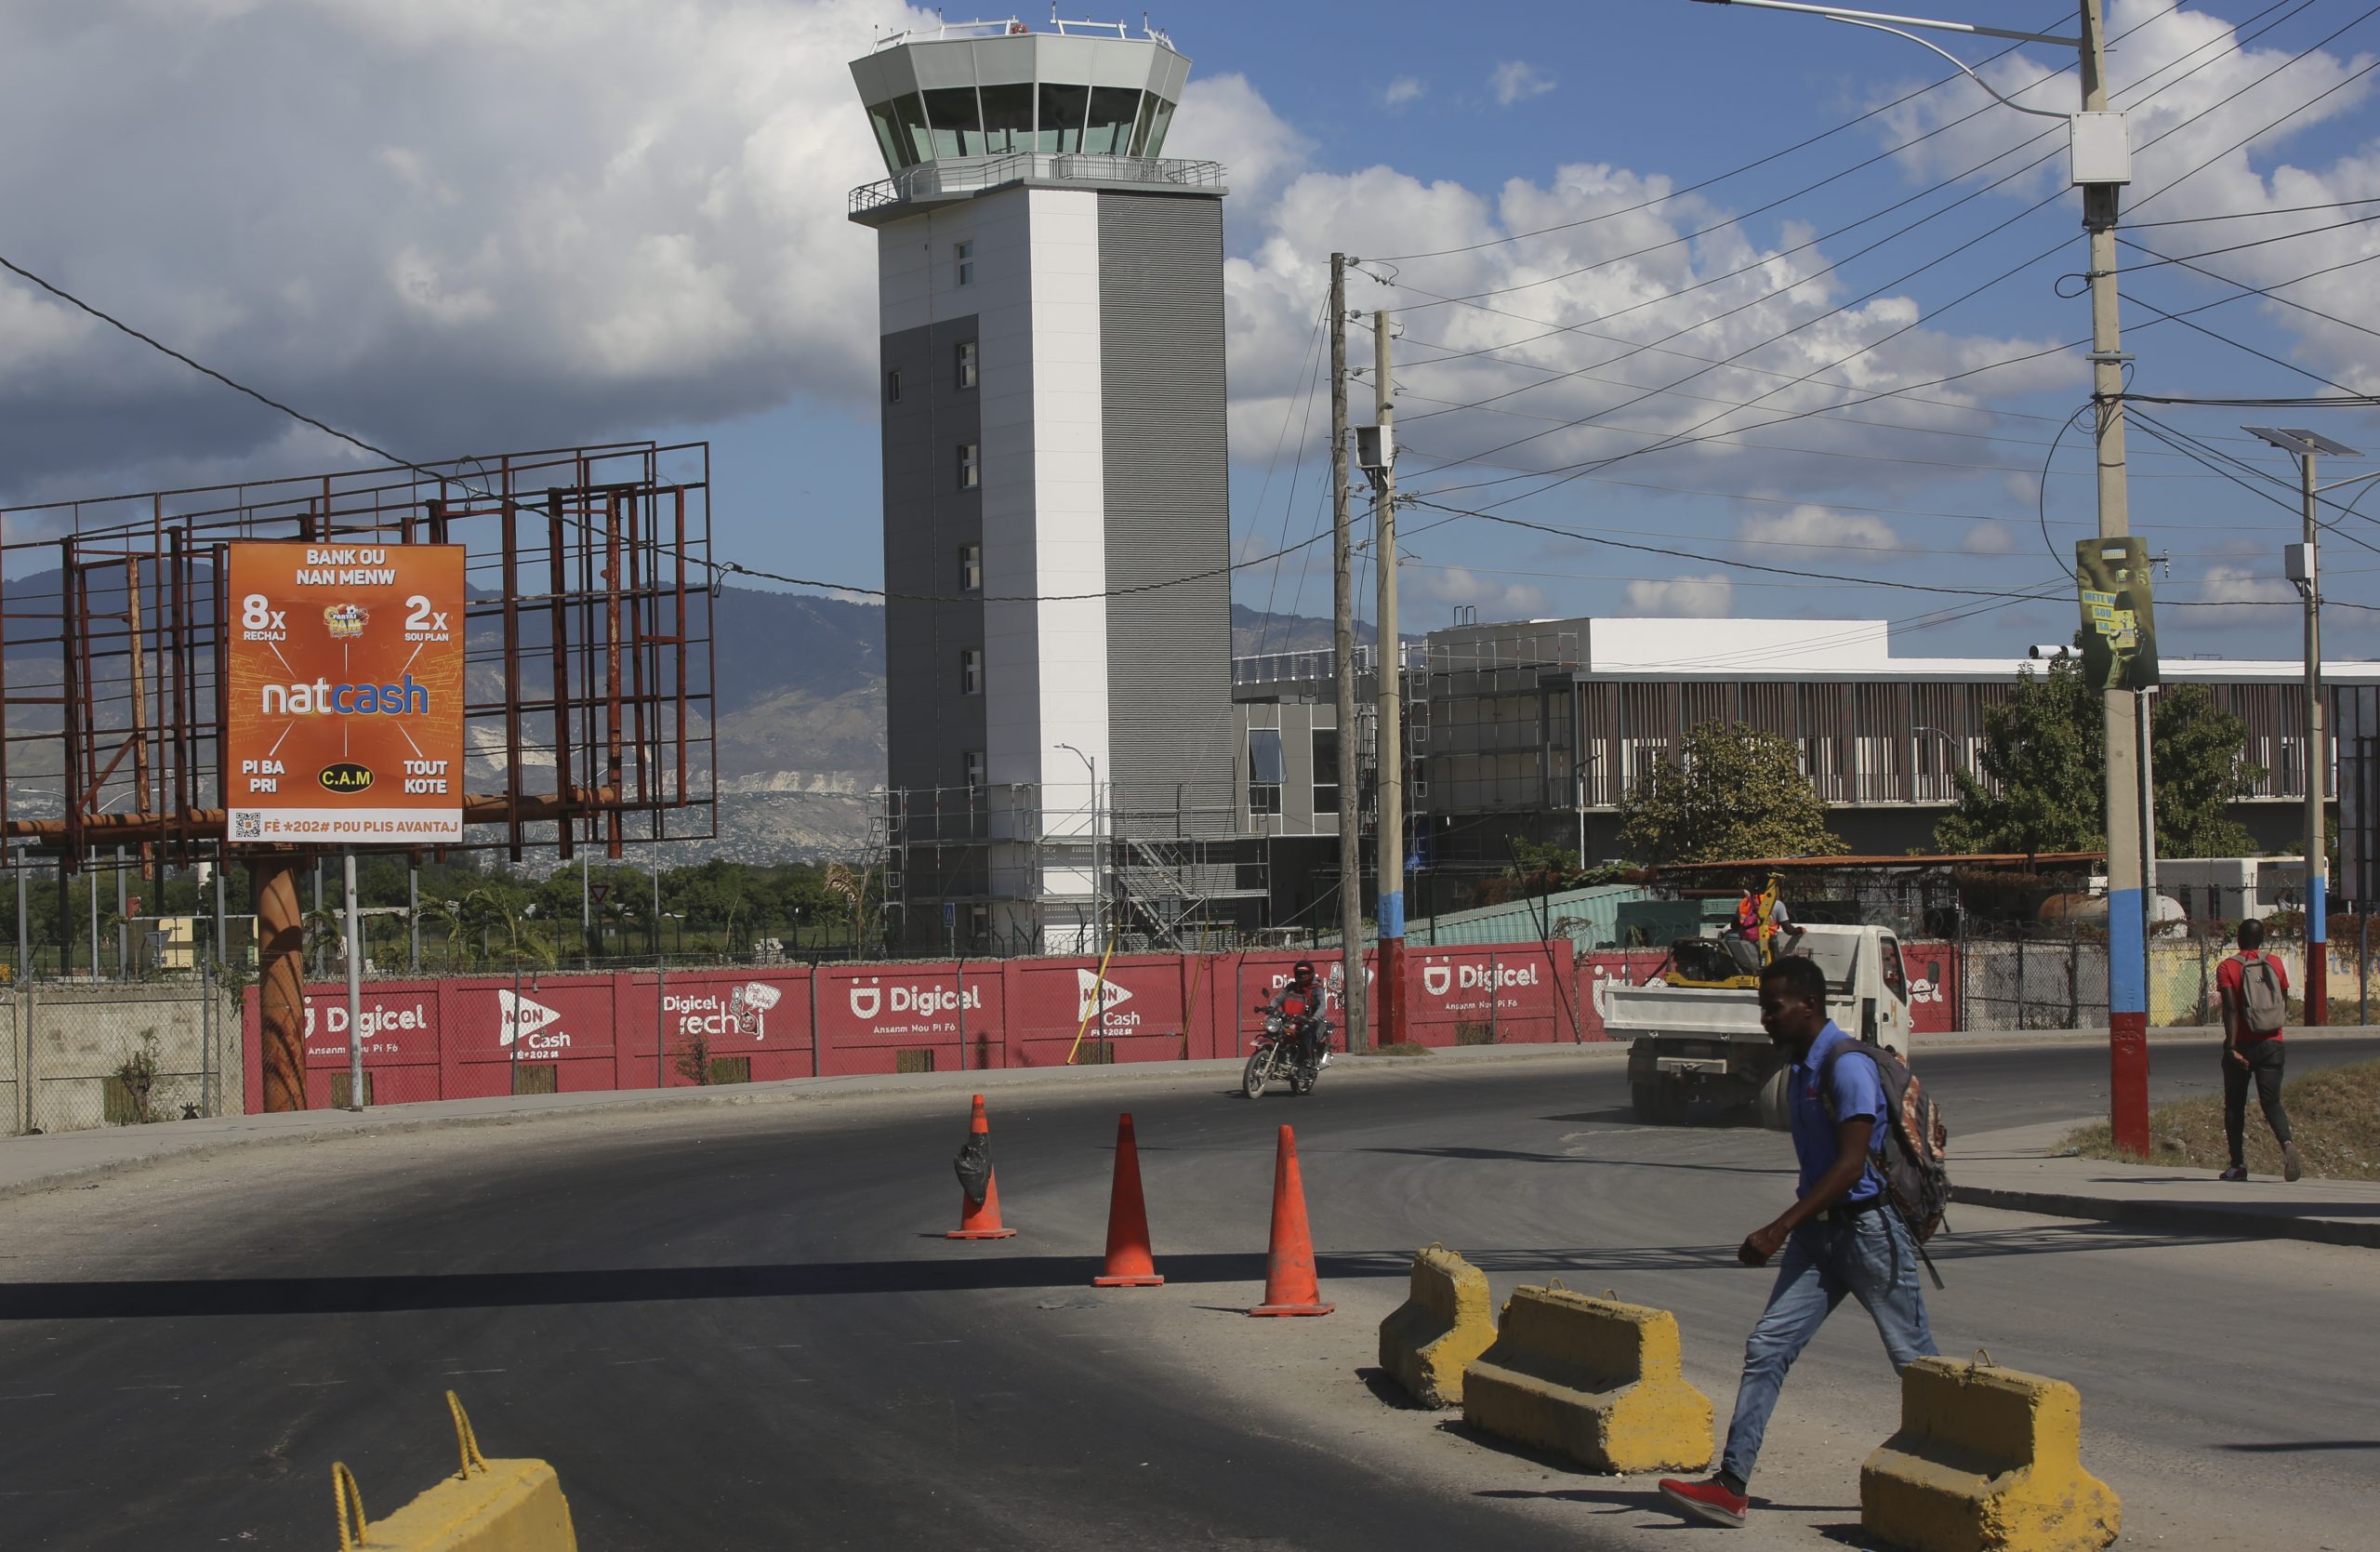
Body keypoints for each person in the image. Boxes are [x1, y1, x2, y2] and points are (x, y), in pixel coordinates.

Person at [1658, 955, 1938, 1530]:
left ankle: (1962, 1474)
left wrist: (1777, 1228)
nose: (1766, 1019)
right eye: (1764, 1007)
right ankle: (1731, 1488)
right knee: (1767, 1347)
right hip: (1820, 1235)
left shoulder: (1845, 1067)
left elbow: (1850, 1165)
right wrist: (1799, 1228)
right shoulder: (1804, 1067)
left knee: (1915, 1363)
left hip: (1868, 1231)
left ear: (1808, 1006)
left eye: (1773, 1008)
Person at [2215, 919, 2302, 1183]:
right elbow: (2282, 1000)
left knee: (2235, 1106)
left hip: (2242, 1045)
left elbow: (2230, 1008)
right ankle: (2287, 1144)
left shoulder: (2227, 967)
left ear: (2239, 938)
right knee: (2271, 1101)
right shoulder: (2275, 963)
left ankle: (2238, 1165)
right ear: (2262, 939)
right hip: (2273, 1041)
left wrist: (2230, 1044)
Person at [1264, 961, 1333, 1071]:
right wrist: (1271, 1007)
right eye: (1299, 974)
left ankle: (1305, 1062)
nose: (1302, 976)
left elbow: (1322, 1007)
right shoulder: (1292, 986)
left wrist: (1314, 1018)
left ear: (1311, 974)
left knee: (1305, 1033)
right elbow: (1279, 998)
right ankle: (1279, 1057)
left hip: (1310, 1022)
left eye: (1305, 974)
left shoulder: (1316, 988)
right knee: (1275, 1030)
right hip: (1291, 1020)